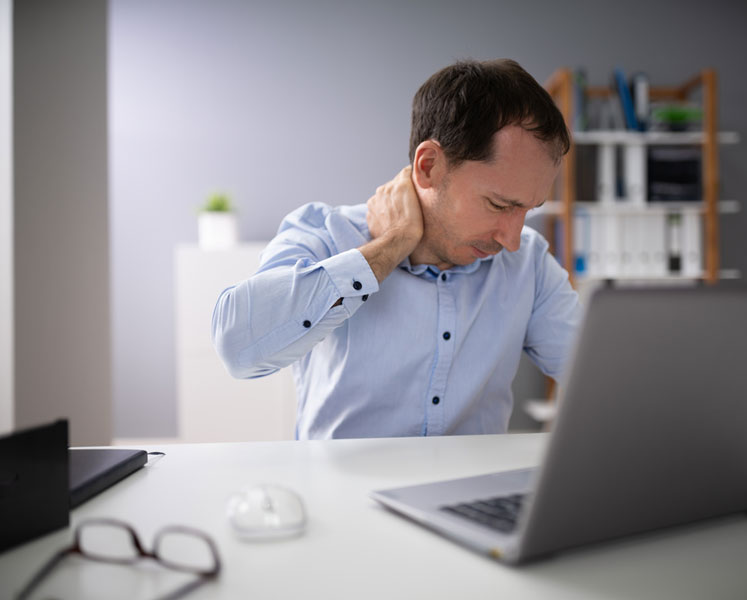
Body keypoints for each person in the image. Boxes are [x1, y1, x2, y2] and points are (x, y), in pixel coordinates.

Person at [212, 59, 581, 439]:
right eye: (499, 205)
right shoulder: (326, 233)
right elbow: (238, 350)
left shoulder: (528, 263)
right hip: (340, 494)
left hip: (470, 494)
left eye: (527, 209)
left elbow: (599, 376)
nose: (512, 238)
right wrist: (392, 244)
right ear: (429, 166)